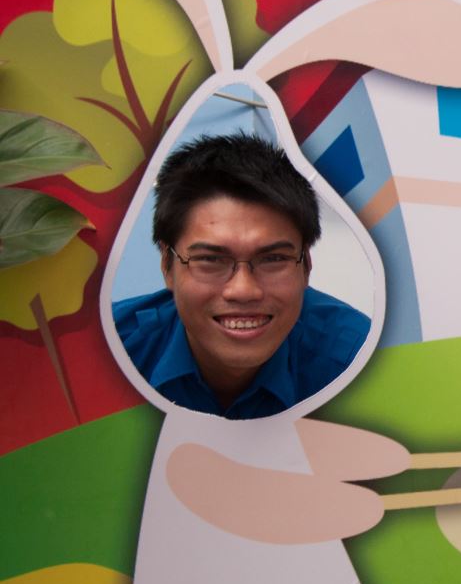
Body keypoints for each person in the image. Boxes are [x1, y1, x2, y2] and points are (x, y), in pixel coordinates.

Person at [114, 132, 370, 418]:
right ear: (167, 264)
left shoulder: (361, 362)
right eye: (211, 260)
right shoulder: (105, 352)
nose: (243, 290)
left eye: (273, 259)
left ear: (306, 266)